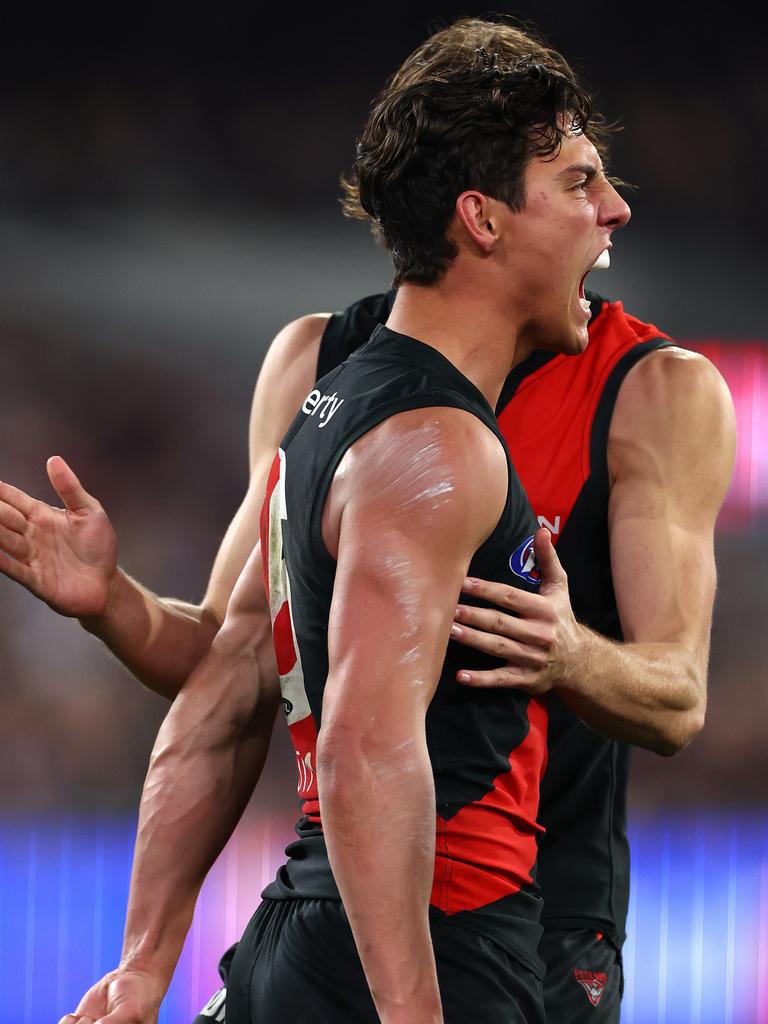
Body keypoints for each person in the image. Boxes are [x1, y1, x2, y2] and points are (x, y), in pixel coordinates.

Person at [0, 18, 733, 1024]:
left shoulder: (654, 394)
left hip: (540, 920)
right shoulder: (340, 380)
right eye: (577, 183)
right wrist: (116, 607)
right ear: (482, 218)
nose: (615, 210)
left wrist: (569, 654)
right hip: (408, 931)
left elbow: (677, 696)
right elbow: (251, 671)